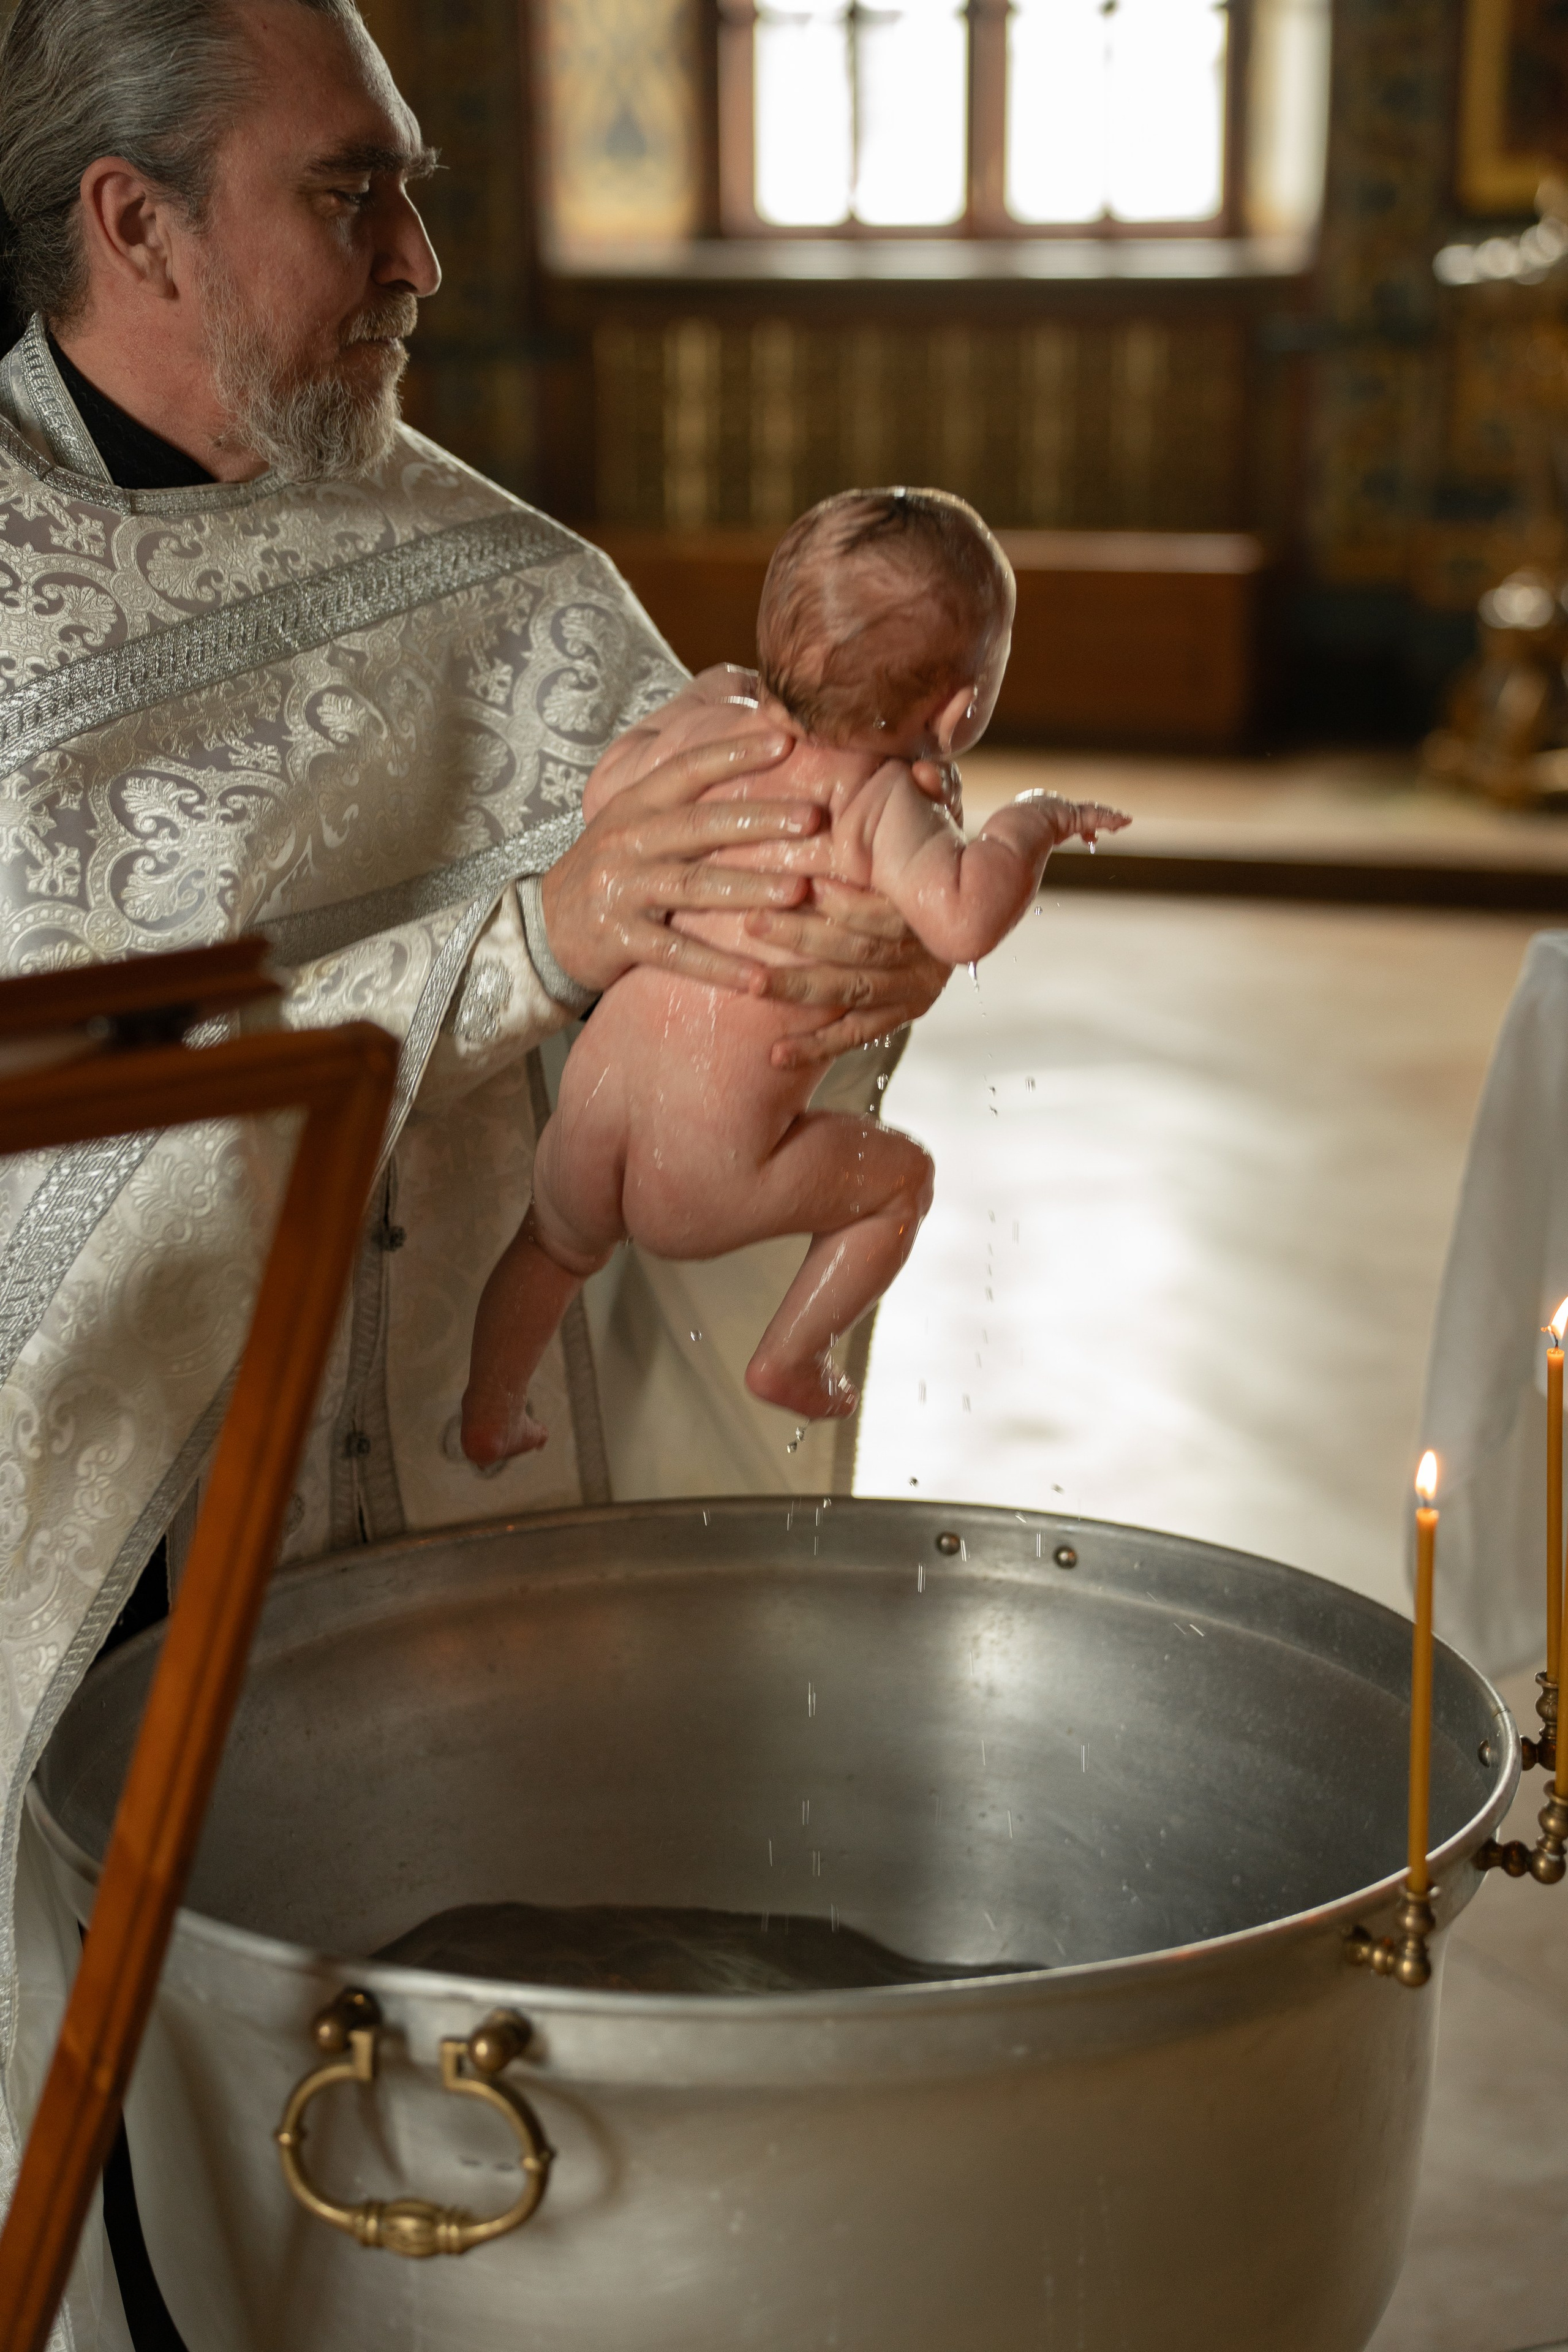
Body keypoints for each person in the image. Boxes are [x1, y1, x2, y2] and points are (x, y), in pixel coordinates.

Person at [0, 3, 948, 2342]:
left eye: (413, 179)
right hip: (89, 1533)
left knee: (454, 2135)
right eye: (354, 192)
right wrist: (528, 938)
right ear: (135, 218)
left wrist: (808, 934)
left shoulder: (508, 581)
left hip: (442, 1514)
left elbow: (684, 1043)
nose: (425, 251)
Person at [462, 489, 1127, 1461]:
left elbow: (608, 790)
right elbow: (964, 921)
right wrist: (1029, 823)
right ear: (958, 710)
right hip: (705, 1177)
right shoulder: (879, 802)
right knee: (901, 1181)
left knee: (549, 1249)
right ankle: (791, 1357)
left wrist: (698, 698)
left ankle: (488, 1408)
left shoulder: (715, 734)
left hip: (590, 1109)